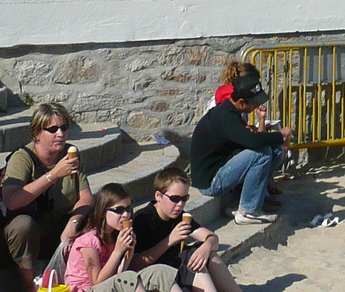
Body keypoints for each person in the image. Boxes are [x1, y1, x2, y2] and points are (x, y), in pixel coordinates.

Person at [0, 100, 93, 289]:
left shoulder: (70, 154)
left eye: (64, 128)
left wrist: (73, 223)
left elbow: (87, 197)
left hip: (57, 231)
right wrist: (54, 175)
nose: (61, 134)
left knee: (97, 214)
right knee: (22, 225)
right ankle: (29, 286)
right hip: (20, 238)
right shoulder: (22, 158)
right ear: (36, 134)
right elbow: (12, 201)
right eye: (53, 129)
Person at [191, 75, 292, 226]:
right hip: (210, 182)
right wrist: (281, 135)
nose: (256, 105)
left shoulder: (231, 112)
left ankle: (244, 200)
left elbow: (249, 139)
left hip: (222, 168)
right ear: (241, 102)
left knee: (275, 151)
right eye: (254, 102)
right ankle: (248, 211)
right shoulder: (224, 116)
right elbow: (254, 141)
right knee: (262, 154)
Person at [131, 167, 241, 292]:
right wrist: (169, 240)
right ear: (158, 196)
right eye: (175, 199)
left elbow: (212, 237)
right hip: (154, 276)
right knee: (192, 258)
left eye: (184, 198)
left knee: (204, 253)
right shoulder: (143, 219)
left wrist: (207, 247)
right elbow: (135, 264)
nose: (180, 204)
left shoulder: (179, 216)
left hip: (175, 267)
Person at [66, 183, 183, 292]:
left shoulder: (115, 236)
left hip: (111, 285)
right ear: (102, 212)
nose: (126, 215)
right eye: (119, 210)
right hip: (86, 289)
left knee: (160, 271)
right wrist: (118, 251)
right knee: (129, 277)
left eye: (128, 209)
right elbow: (97, 283)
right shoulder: (89, 241)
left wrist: (128, 254)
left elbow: (119, 275)